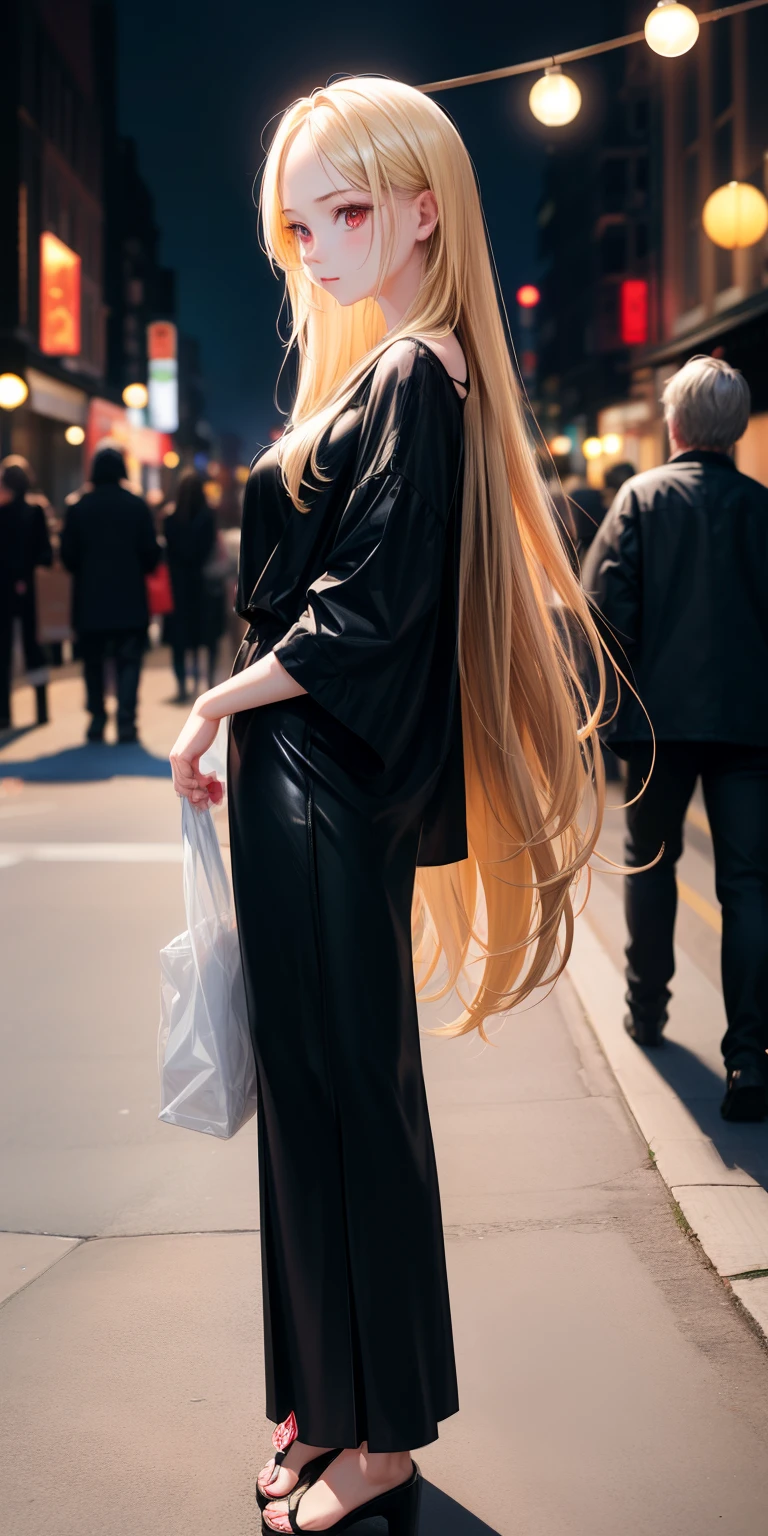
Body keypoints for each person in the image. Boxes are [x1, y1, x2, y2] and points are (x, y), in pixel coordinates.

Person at [169, 77, 606, 1536]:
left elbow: (371, 617)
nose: (322, 248)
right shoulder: (388, 374)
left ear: (426, 209)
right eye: (303, 227)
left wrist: (223, 704)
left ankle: (383, 1437)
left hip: (322, 780)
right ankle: (322, 1408)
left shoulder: (419, 374)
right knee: (316, 1100)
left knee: (351, 1098)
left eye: (347, 212)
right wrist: (242, 719)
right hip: (301, 781)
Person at [583, 355, 768, 1123]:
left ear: (676, 424)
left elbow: (602, 611)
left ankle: (648, 1009)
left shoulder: (640, 499)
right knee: (750, 886)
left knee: (651, 863)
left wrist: (605, 709)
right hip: (752, 726)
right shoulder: (762, 508)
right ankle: (750, 1058)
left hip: (657, 726)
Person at [60, 442, 160, 743]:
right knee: (129, 661)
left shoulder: (78, 507)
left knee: (92, 661)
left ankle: (97, 719)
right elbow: (151, 556)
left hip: (89, 601)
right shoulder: (136, 505)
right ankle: (126, 721)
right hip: (129, 599)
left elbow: (67, 557)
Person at [0, 456, 53, 731]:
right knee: (36, 648)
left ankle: (3, 714)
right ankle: (42, 709)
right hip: (32, 591)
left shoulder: (2, 513)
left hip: (3, 590)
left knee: (3, 653)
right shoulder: (36, 511)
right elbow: (46, 554)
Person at [163, 470, 221, 701]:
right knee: (207, 636)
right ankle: (208, 683)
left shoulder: (170, 518)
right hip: (204, 585)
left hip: (178, 586)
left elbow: (168, 553)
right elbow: (210, 551)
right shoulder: (208, 517)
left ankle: (182, 686)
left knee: (180, 639)